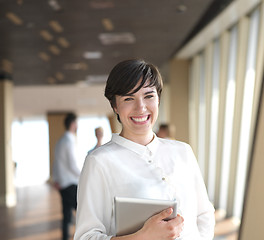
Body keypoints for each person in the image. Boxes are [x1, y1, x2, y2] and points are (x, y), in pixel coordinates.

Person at [74, 59, 215, 240]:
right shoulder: (100, 161)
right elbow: (85, 237)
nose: (141, 107)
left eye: (149, 96)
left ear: (158, 99)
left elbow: (204, 214)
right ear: (115, 106)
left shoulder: (183, 152)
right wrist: (143, 236)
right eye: (128, 98)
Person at [52, 112, 81, 240]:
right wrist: (83, 176)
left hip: (63, 184)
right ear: (73, 124)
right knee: (82, 213)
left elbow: (56, 162)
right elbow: (72, 164)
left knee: (67, 216)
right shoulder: (69, 141)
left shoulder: (60, 141)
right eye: (76, 122)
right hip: (71, 183)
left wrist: (56, 179)